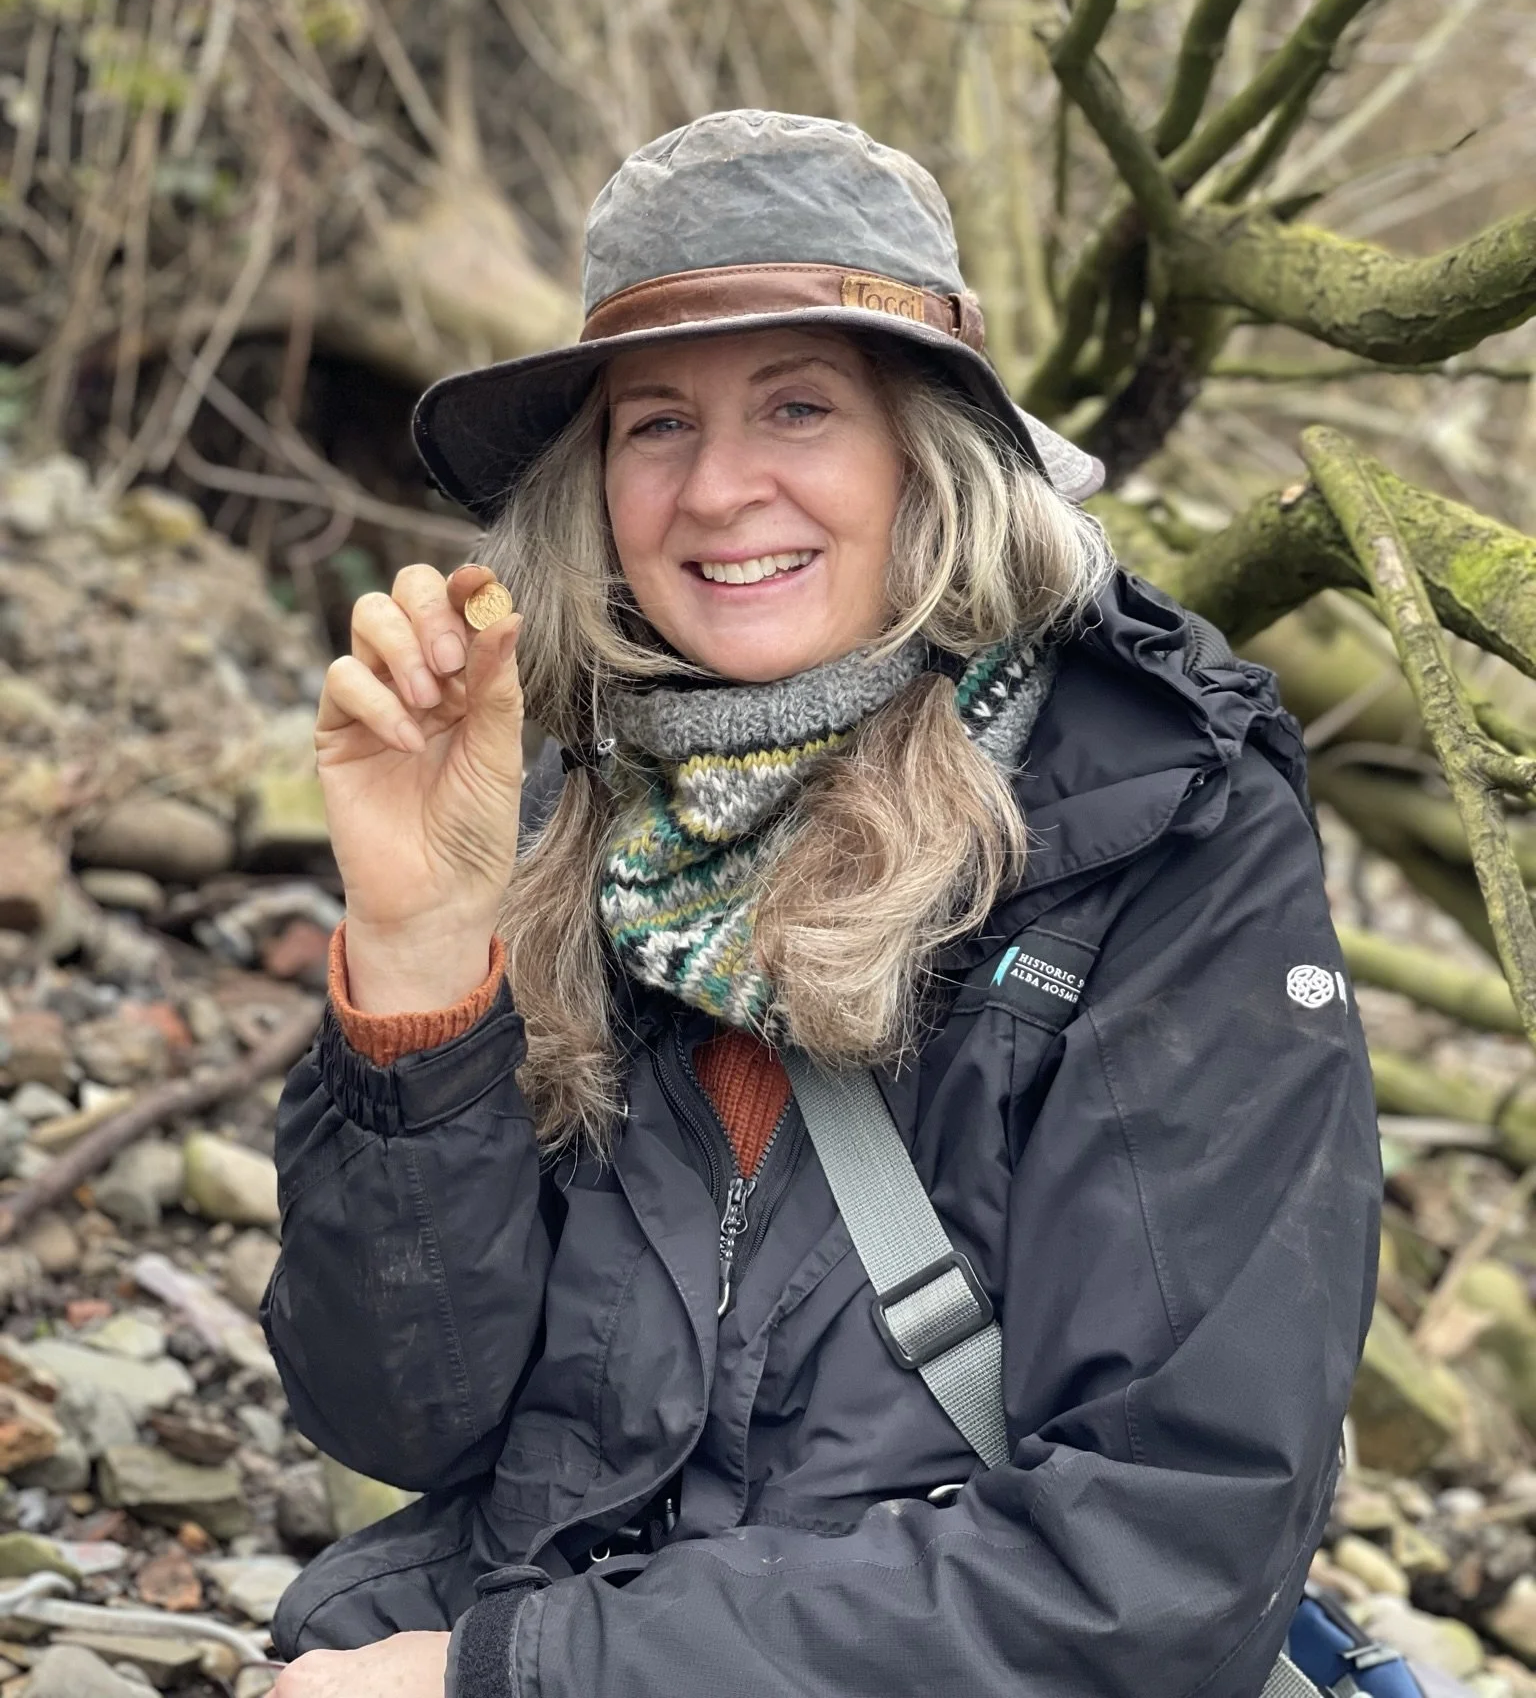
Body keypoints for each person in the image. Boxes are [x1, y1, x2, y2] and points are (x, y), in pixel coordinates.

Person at [265, 111, 1380, 1698]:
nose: (721, 489)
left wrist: (519, 1675)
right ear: (596, 483)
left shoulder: (1166, 838)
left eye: (801, 407)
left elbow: (1163, 1558)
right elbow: (398, 1418)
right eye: (657, 425)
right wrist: (424, 950)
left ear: (933, 453)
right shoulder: (555, 798)